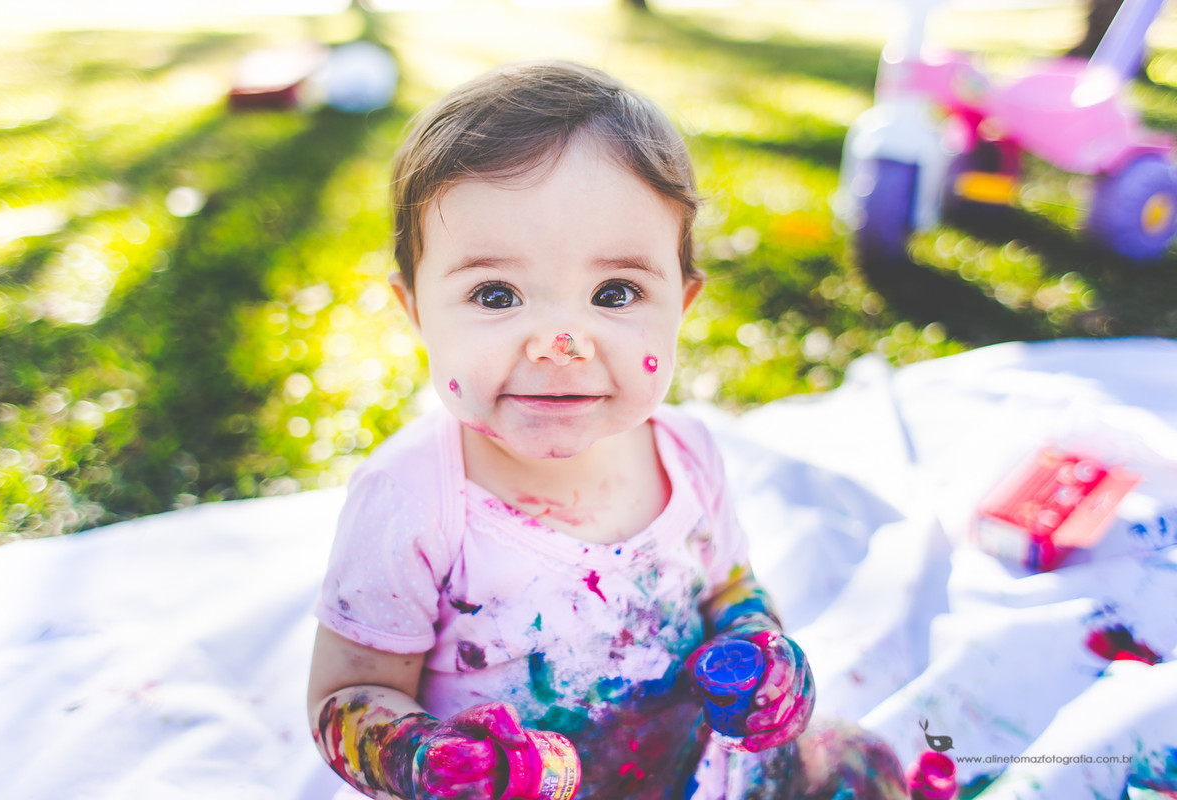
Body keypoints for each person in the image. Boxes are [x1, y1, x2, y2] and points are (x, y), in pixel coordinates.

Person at [306, 59, 908, 800]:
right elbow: (347, 693)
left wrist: (759, 647)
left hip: (692, 775)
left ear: (681, 307)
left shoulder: (686, 456)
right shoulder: (410, 499)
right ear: (416, 313)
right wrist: (424, 757)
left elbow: (728, 583)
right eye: (497, 294)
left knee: (862, 768)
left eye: (614, 292)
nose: (562, 341)